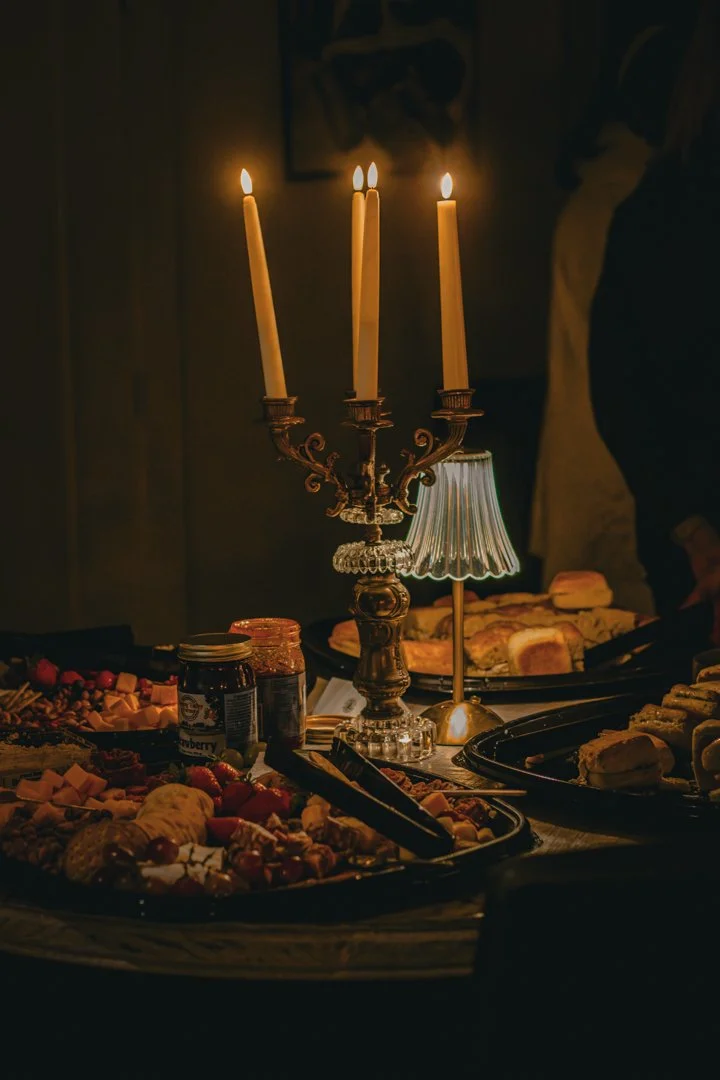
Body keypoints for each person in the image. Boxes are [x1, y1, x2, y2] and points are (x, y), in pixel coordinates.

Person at [531, 18, 687, 615]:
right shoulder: (635, 202)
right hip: (616, 448)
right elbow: (629, 362)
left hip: (596, 438)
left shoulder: (599, 190)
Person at [589, 0, 720, 630]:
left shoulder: (652, 208)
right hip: (690, 536)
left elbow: (619, 391)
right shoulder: (656, 211)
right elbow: (619, 388)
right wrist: (693, 528)